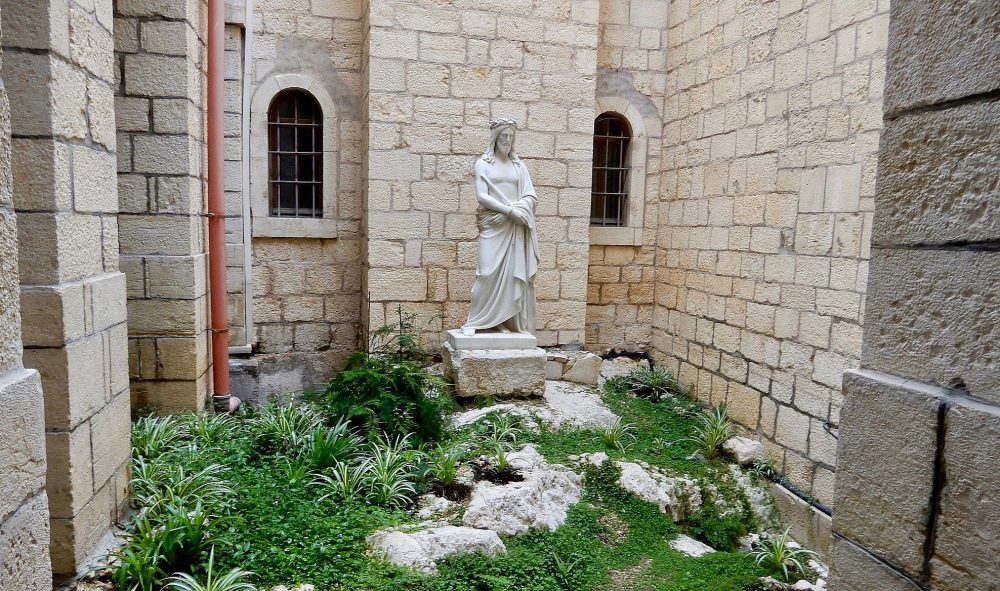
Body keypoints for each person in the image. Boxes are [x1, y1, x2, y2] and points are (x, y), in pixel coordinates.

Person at [461, 118, 540, 336]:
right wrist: (508, 212)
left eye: (510, 136)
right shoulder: (484, 164)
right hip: (493, 226)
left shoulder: (519, 166)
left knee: (510, 276)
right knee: (486, 273)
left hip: (514, 227)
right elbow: (482, 196)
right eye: (503, 135)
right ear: (495, 137)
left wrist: (518, 211)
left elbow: (530, 195)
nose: (507, 140)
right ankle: (475, 321)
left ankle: (502, 321)